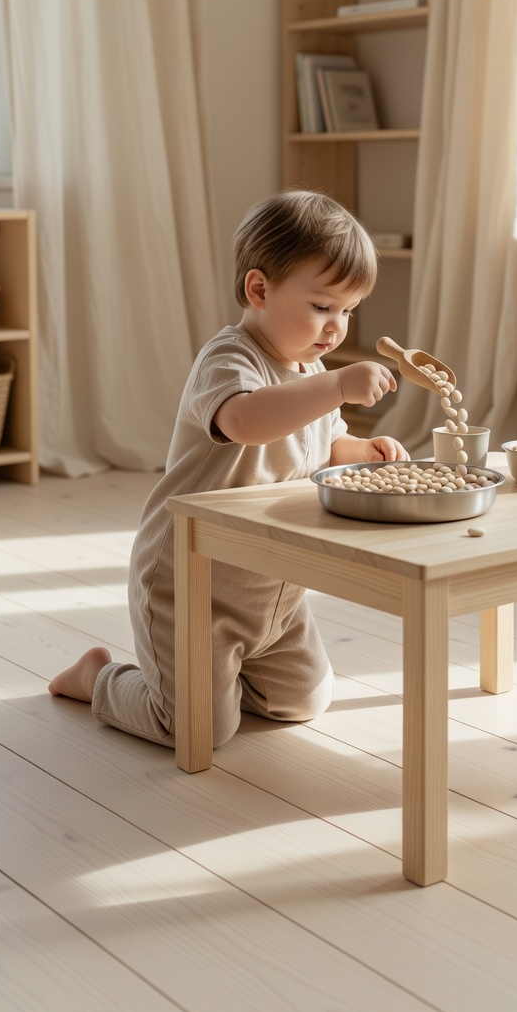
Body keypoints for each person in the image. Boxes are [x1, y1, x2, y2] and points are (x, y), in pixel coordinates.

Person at [49, 189, 408, 749]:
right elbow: (245, 421)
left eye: (347, 311)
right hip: (193, 585)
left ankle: (225, 676)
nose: (336, 327)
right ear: (259, 289)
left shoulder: (310, 368)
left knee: (304, 701)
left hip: (273, 590)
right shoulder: (229, 359)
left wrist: (366, 451)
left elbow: (325, 442)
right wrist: (336, 384)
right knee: (200, 730)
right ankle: (98, 678)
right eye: (321, 306)